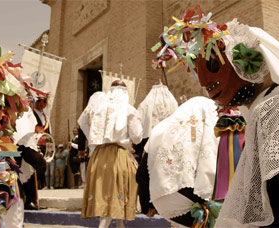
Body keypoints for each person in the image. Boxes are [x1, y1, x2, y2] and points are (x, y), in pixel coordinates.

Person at [152, 6, 279, 227]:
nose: (204, 83)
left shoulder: (272, 109)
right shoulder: (264, 108)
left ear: (243, 61)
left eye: (213, 65)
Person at [145, 96, 220, 227]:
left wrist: (147, 204)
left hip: (163, 201)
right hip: (194, 199)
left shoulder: (161, 128)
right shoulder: (211, 130)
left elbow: (141, 173)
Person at [78, 81, 143, 228]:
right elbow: (138, 137)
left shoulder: (97, 108)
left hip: (99, 156)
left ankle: (120, 225)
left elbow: (83, 123)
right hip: (117, 156)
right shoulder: (129, 110)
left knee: (105, 193)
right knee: (115, 193)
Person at [135, 82, 178, 217]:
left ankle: (149, 207)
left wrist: (137, 148)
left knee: (146, 175)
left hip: (151, 141)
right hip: (170, 142)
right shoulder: (172, 101)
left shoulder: (146, 103)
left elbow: (138, 124)